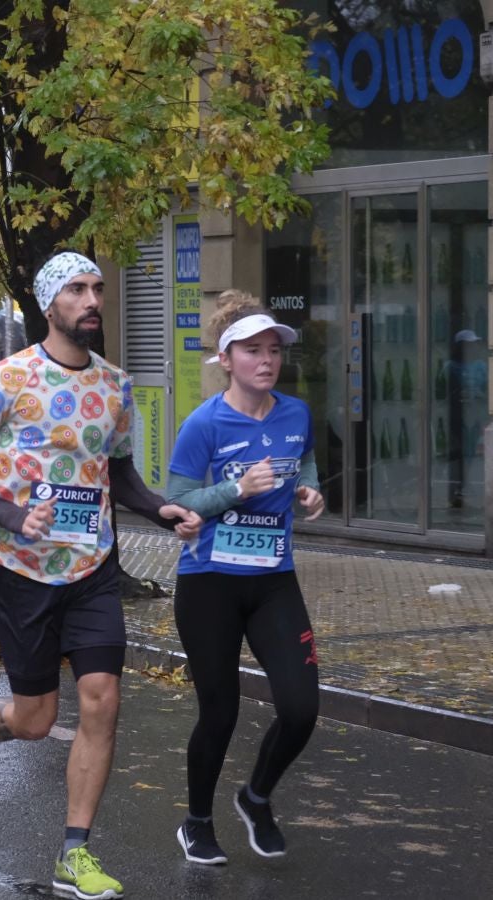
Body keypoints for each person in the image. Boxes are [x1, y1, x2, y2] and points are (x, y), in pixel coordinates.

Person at [0, 250, 200, 900]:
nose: (91, 300)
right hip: (22, 573)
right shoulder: (8, 377)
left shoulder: (115, 385)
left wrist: (163, 509)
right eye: (77, 290)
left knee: (102, 700)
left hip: (92, 569)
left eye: (97, 289)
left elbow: (120, 475)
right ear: (50, 303)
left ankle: (74, 853)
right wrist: (11, 515)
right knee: (32, 719)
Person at [165, 290, 325, 866]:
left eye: (274, 350)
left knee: (302, 707)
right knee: (221, 710)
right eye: (253, 350)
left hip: (273, 580)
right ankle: (198, 822)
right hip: (209, 582)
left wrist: (309, 490)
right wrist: (237, 489)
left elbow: (302, 460)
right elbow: (176, 502)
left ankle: (255, 797)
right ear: (226, 360)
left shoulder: (295, 412)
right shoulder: (203, 424)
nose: (267, 360)